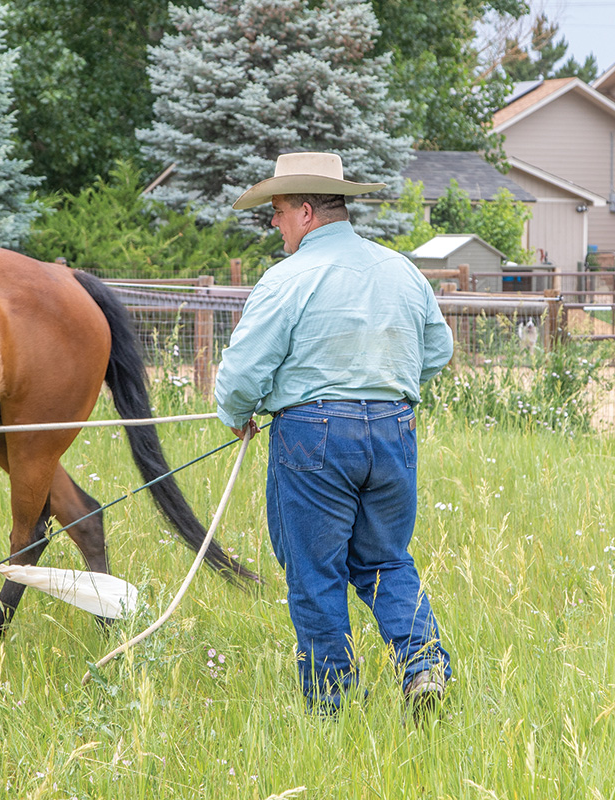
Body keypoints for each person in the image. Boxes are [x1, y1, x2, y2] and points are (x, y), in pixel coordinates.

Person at [213, 152, 454, 717]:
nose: (273, 225)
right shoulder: (401, 269)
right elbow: (438, 349)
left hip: (313, 436)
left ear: (304, 211)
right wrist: (397, 387)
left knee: (314, 570)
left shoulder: (289, 278)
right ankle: (423, 666)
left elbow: (244, 371)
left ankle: (332, 704)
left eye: (275, 213)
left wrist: (238, 409)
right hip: (393, 429)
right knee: (387, 560)